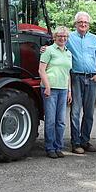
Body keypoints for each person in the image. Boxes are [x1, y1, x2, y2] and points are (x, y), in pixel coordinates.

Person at [67, 11, 96, 154]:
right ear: (75, 24)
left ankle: (85, 141)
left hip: (92, 78)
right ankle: (75, 143)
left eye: (85, 22)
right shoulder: (69, 37)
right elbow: (56, 44)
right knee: (75, 111)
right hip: (76, 77)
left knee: (89, 112)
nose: (83, 24)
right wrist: (45, 48)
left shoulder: (94, 39)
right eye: (80, 22)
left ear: (89, 24)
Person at [39, 25, 73, 159]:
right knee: (51, 120)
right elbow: (41, 70)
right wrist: (47, 86)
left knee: (61, 121)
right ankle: (50, 147)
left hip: (63, 89)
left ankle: (59, 147)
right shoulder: (48, 51)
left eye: (65, 36)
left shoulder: (68, 53)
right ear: (54, 37)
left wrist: (69, 90)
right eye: (60, 36)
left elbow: (67, 73)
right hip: (50, 89)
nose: (62, 39)